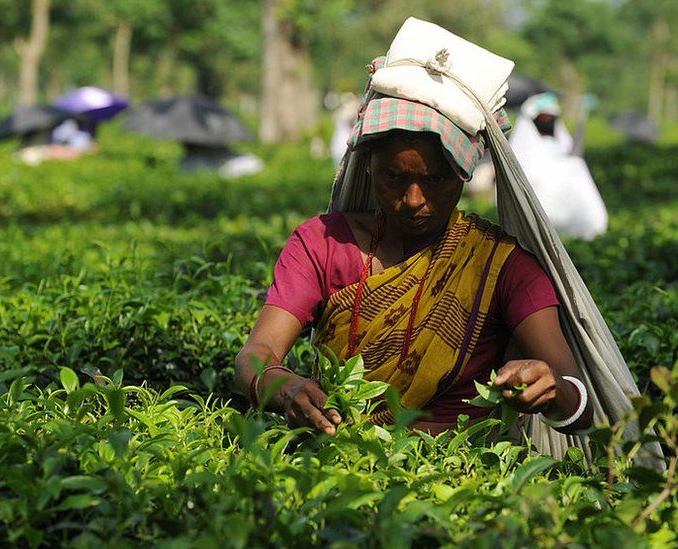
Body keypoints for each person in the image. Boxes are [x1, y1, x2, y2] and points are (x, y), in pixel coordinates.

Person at [234, 54, 594, 437]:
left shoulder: (501, 266)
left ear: (463, 174)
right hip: (339, 457)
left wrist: (551, 389)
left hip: (461, 476)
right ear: (368, 164)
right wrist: (282, 386)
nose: (413, 200)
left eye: (436, 180)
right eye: (393, 177)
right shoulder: (322, 244)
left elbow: (579, 405)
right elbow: (255, 356)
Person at [509, 92, 608, 240]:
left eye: (552, 117)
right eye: (545, 117)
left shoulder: (561, 143)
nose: (549, 121)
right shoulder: (523, 148)